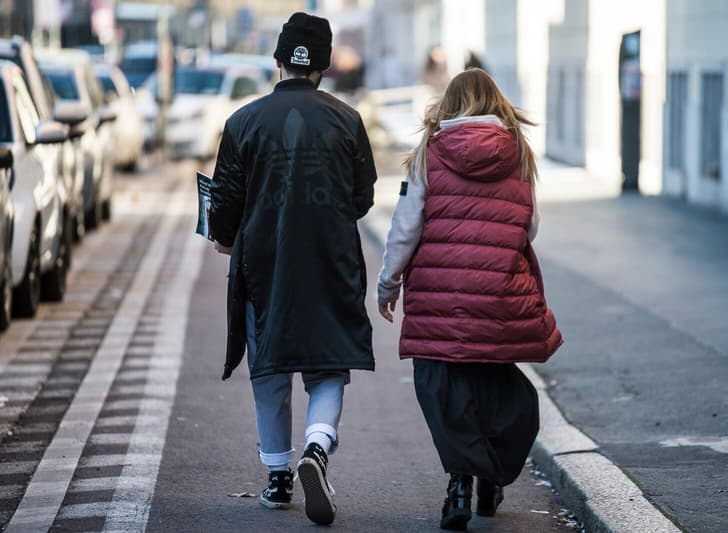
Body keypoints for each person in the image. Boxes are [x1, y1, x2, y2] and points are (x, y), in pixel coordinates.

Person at [209, 12, 378, 526]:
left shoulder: (243, 122)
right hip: (331, 260)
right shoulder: (348, 120)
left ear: (277, 60)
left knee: (270, 366)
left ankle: (279, 477)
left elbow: (224, 202)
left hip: (265, 263)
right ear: (324, 68)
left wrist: (224, 235)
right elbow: (362, 198)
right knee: (327, 364)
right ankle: (318, 447)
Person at [376, 68, 563, 530]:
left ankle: (460, 484)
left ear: (450, 103)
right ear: (496, 103)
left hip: (438, 298)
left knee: (443, 387)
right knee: (493, 385)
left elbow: (405, 228)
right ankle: (489, 479)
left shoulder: (430, 152)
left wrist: (388, 284)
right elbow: (530, 225)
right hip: (498, 294)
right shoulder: (518, 153)